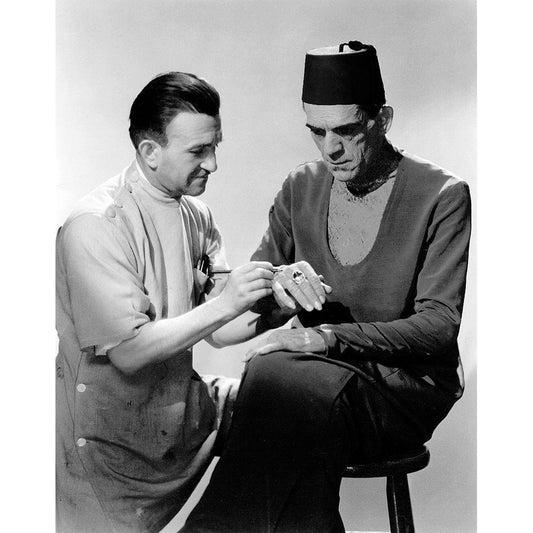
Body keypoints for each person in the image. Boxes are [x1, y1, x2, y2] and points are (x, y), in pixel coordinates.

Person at [179, 40, 472, 532]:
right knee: (278, 381)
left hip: (402, 389)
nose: (330, 149)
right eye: (317, 131)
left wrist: (326, 337)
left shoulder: (442, 195)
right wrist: (277, 291)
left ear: (383, 119)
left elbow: (439, 327)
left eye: (346, 130)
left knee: (277, 384)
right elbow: (250, 310)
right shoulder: (302, 187)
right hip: (312, 378)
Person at [56, 72, 327, 533]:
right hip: (108, 439)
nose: (213, 164)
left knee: (294, 410)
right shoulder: (95, 226)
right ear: (150, 152)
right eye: (199, 151)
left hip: (181, 406)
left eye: (215, 146)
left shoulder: (195, 213)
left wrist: (277, 306)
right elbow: (129, 352)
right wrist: (227, 302)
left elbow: (218, 331)